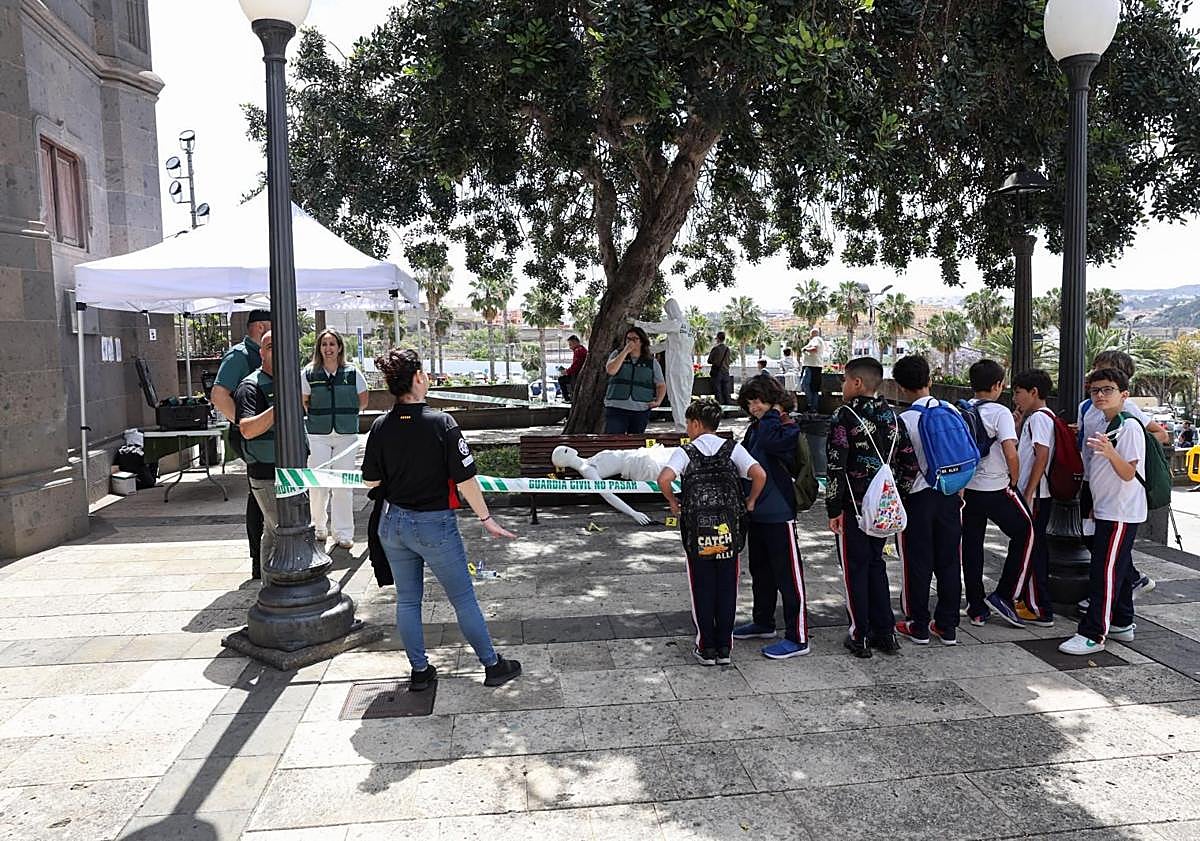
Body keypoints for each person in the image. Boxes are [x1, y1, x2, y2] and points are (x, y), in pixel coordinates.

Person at [362, 348, 521, 690]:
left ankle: (419, 671)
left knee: (407, 600)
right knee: (462, 598)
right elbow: (466, 481)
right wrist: (486, 518)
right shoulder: (442, 423)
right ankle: (492, 665)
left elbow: (370, 481)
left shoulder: (380, 426)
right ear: (418, 377)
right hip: (434, 524)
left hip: (393, 524)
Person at [658, 398, 766, 665]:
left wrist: (673, 502)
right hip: (729, 531)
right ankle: (724, 648)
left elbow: (664, 479)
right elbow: (759, 474)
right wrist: (750, 502)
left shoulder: (686, 452)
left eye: (688, 424)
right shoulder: (733, 449)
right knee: (727, 587)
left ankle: (706, 647)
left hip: (698, 535)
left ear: (695, 423)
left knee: (702, 587)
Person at [827, 357, 919, 658]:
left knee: (855, 567)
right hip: (884, 506)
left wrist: (833, 509)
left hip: (854, 506)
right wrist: (897, 497)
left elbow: (835, 465)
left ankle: (860, 634)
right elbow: (910, 464)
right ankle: (886, 632)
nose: (842, 386)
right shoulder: (892, 416)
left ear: (856, 383)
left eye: (844, 380)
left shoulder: (844, 415)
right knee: (877, 564)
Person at [1060, 367, 1145, 655]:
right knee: (1112, 569)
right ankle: (1121, 621)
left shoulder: (1129, 426)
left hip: (1121, 512)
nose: (1100, 395)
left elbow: (1128, 473)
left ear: (1124, 394)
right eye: (1095, 390)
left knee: (1104, 573)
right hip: (1108, 509)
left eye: (1107, 389)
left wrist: (1110, 453)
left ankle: (1093, 634)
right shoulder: (1108, 423)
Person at [734, 376, 815, 659]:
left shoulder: (783, 428)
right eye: (749, 402)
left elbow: (771, 443)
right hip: (757, 512)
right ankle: (763, 620)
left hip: (779, 512)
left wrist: (772, 413)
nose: (753, 406)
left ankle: (798, 636)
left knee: (788, 577)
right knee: (761, 571)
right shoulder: (756, 428)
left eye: (758, 400)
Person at [1077, 350, 1165, 607]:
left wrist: (1125, 450)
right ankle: (1123, 608)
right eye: (1096, 386)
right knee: (1092, 539)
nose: (1099, 390)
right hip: (1094, 483)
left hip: (1118, 495)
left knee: (1108, 554)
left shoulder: (1128, 415)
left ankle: (1109, 605)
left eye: (1106, 382)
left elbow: (1157, 436)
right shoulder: (1090, 406)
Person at [891, 355, 962, 646]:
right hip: (949, 494)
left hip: (917, 498)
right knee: (949, 561)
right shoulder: (951, 410)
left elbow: (895, 463)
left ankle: (917, 623)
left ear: (899, 387)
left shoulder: (904, 420)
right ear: (929, 381)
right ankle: (947, 625)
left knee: (916, 562)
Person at [960, 359, 1035, 629]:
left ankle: (976, 606)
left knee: (971, 546)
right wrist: (1014, 479)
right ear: (997, 385)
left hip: (968, 490)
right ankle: (1005, 594)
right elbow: (1009, 452)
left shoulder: (963, 409)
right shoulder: (999, 411)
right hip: (995, 487)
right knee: (1027, 532)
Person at [213, 309, 271, 579]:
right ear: (260, 328)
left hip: (268, 432)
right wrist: (243, 421)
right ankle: (258, 558)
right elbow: (218, 394)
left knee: (262, 495)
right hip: (253, 432)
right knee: (256, 495)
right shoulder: (240, 355)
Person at [302, 329, 369, 549]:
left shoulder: (352, 372)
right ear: (319, 348)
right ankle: (319, 526)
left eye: (332, 344)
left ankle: (343, 533)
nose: (328, 349)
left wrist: (345, 416)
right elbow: (305, 400)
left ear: (339, 347)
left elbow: (363, 400)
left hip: (346, 436)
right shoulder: (309, 372)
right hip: (318, 435)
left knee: (343, 486)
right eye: (324, 344)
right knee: (318, 484)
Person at [234, 330, 284, 575]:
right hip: (266, 473)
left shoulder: (290, 381)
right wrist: (279, 407)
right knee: (278, 531)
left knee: (279, 530)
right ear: (261, 353)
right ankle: (271, 587)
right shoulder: (250, 386)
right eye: (271, 346)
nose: (277, 351)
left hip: (292, 471)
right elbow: (247, 429)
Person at [1011, 368, 1056, 627]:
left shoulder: (1039, 418)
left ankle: (1040, 607)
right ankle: (1030, 601)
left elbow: (1041, 455)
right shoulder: (1041, 417)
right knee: (1033, 546)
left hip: (1037, 495)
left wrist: (1028, 491)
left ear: (1033, 392)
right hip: (1038, 493)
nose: (1016, 398)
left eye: (1018, 393)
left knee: (1034, 548)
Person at [552, 444, 674, 525]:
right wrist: (633, 513)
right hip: (640, 465)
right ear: (565, 458)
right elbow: (607, 494)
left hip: (639, 456)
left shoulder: (587, 462)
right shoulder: (587, 470)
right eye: (565, 450)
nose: (569, 448)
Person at [637, 298, 697, 432]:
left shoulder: (675, 324)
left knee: (677, 398)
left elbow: (655, 327)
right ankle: (687, 427)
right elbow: (665, 345)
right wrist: (647, 350)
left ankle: (682, 430)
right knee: (685, 399)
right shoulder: (688, 328)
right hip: (687, 366)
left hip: (677, 366)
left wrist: (636, 323)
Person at [604, 325, 666, 434]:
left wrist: (658, 401)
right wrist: (625, 352)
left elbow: (660, 384)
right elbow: (611, 370)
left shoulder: (651, 362)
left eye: (635, 339)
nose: (630, 342)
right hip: (616, 408)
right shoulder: (617, 354)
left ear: (642, 342)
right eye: (628, 339)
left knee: (635, 443)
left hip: (640, 409)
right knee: (614, 442)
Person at [800, 328, 825, 411]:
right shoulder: (818, 340)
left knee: (805, 384)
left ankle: (811, 404)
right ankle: (813, 407)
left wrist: (805, 349)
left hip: (811, 366)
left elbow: (815, 349)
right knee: (814, 389)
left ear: (812, 334)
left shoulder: (816, 339)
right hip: (816, 366)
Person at [708, 331, 734, 407]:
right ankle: (728, 411)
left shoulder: (715, 349)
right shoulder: (727, 349)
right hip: (726, 372)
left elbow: (709, 360)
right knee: (726, 392)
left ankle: (720, 410)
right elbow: (729, 360)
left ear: (718, 339)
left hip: (717, 373)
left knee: (718, 393)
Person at [558, 335, 587, 402]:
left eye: (570, 344)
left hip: (577, 375)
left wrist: (567, 371)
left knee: (561, 379)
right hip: (578, 373)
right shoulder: (582, 349)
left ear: (575, 342)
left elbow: (576, 366)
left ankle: (567, 398)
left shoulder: (578, 350)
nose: (570, 347)